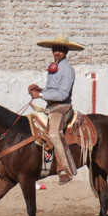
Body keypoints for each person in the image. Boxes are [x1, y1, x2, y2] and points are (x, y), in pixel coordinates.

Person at [28, 35, 84, 184]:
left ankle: (66, 170)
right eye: (55, 50)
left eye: (60, 50)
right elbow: (52, 90)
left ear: (66, 51)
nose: (57, 52)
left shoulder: (68, 70)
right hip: (50, 107)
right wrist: (40, 90)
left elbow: (62, 94)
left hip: (61, 108)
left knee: (54, 134)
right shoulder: (54, 68)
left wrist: (40, 95)